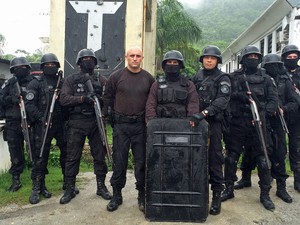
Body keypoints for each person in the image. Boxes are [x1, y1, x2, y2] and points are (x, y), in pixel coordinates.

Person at [221, 45, 278, 211]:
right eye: (249, 56)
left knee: (263, 158)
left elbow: (273, 100)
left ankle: (265, 194)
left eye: (255, 56)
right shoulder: (233, 77)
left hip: (259, 123)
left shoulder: (267, 79)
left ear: (259, 59)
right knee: (231, 157)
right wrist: (240, 97)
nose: (252, 58)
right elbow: (226, 96)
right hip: (238, 123)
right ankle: (228, 189)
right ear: (243, 59)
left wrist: (263, 115)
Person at [103, 46, 155, 212]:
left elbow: (153, 102)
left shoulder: (149, 78)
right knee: (119, 162)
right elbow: (108, 98)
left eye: (137, 56)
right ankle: (117, 195)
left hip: (141, 127)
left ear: (142, 58)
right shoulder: (116, 77)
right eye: (131, 55)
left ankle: (142, 196)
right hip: (121, 126)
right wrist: (110, 117)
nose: (134, 58)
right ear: (126, 57)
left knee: (141, 162)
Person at [59, 49, 111, 204]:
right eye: (84, 59)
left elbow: (109, 99)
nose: (87, 61)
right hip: (76, 122)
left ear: (95, 62)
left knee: (99, 157)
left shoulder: (101, 80)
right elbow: (64, 99)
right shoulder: (70, 80)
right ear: (79, 62)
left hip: (96, 122)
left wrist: (101, 106)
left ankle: (101, 187)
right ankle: (69, 189)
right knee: (72, 157)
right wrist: (82, 98)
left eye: (90, 59)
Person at [25, 53, 71, 204]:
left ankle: (68, 183)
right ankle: (38, 187)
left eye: (53, 65)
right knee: (40, 157)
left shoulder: (62, 82)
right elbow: (29, 105)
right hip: (42, 125)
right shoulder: (35, 83)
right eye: (47, 65)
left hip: (60, 124)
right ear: (42, 67)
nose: (50, 67)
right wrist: (41, 118)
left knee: (66, 154)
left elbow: (68, 101)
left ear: (57, 67)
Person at [191, 45, 231, 215]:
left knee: (215, 159)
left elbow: (223, 100)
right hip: (196, 123)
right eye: (206, 57)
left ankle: (216, 196)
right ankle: (195, 191)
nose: (209, 60)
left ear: (217, 61)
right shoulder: (197, 76)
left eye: (212, 58)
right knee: (194, 157)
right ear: (202, 60)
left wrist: (205, 112)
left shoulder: (223, 78)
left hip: (213, 123)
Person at [0, 57, 33, 192]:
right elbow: (1, 98)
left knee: (35, 148)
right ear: (13, 70)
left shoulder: (34, 83)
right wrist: (11, 99)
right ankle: (16, 180)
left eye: (23, 67)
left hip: (31, 121)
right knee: (15, 150)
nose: (21, 70)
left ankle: (38, 179)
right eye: (17, 68)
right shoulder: (9, 83)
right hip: (13, 121)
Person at [145, 50, 199, 121]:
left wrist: (190, 121)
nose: (172, 65)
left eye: (175, 62)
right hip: (160, 125)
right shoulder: (157, 84)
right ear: (165, 65)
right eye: (169, 62)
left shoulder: (188, 85)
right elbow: (150, 105)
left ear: (180, 65)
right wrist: (152, 122)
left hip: (181, 125)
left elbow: (193, 104)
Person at [281, 44, 300, 193]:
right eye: (289, 57)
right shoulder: (278, 73)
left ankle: (297, 180)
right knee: (278, 148)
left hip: (297, 117)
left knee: (296, 149)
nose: (292, 60)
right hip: (280, 115)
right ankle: (279, 181)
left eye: (295, 57)